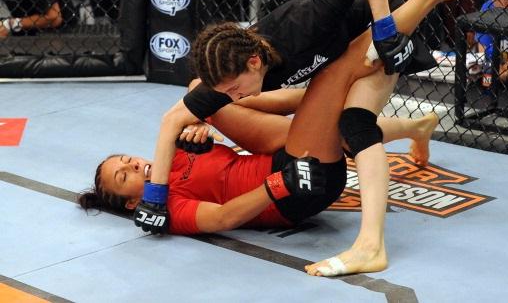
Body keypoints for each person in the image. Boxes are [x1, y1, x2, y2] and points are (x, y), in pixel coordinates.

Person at [139, 0, 465, 277]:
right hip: (353, 58)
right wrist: (155, 195)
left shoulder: (302, 25)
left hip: (380, 23)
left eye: (235, 89)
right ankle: (416, 123)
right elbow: (172, 119)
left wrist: (385, 32)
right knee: (346, 117)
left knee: (353, 120)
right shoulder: (240, 69)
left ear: (253, 63)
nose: (232, 98)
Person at [79, 84, 439, 239]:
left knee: (201, 95)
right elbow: (223, 218)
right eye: (124, 176)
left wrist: (202, 128)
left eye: (126, 159)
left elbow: (217, 134)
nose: (132, 166)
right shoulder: (168, 207)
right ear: (131, 201)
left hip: (276, 154)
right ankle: (321, 97)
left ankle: (416, 127)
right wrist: (279, 184)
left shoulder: (172, 152)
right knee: (331, 123)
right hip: (295, 190)